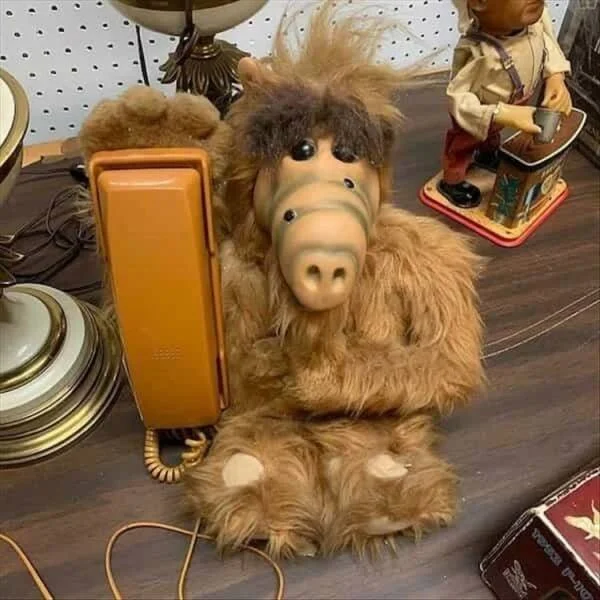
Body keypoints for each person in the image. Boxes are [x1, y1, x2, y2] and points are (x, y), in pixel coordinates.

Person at [439, 0, 573, 208]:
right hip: (481, 113)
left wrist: (556, 76)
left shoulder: (535, 28)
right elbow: (457, 99)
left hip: (514, 104)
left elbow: (548, 46)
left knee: (492, 137)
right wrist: (502, 113)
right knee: (463, 143)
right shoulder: (480, 52)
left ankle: (487, 155)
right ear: (479, 2)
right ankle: (452, 179)